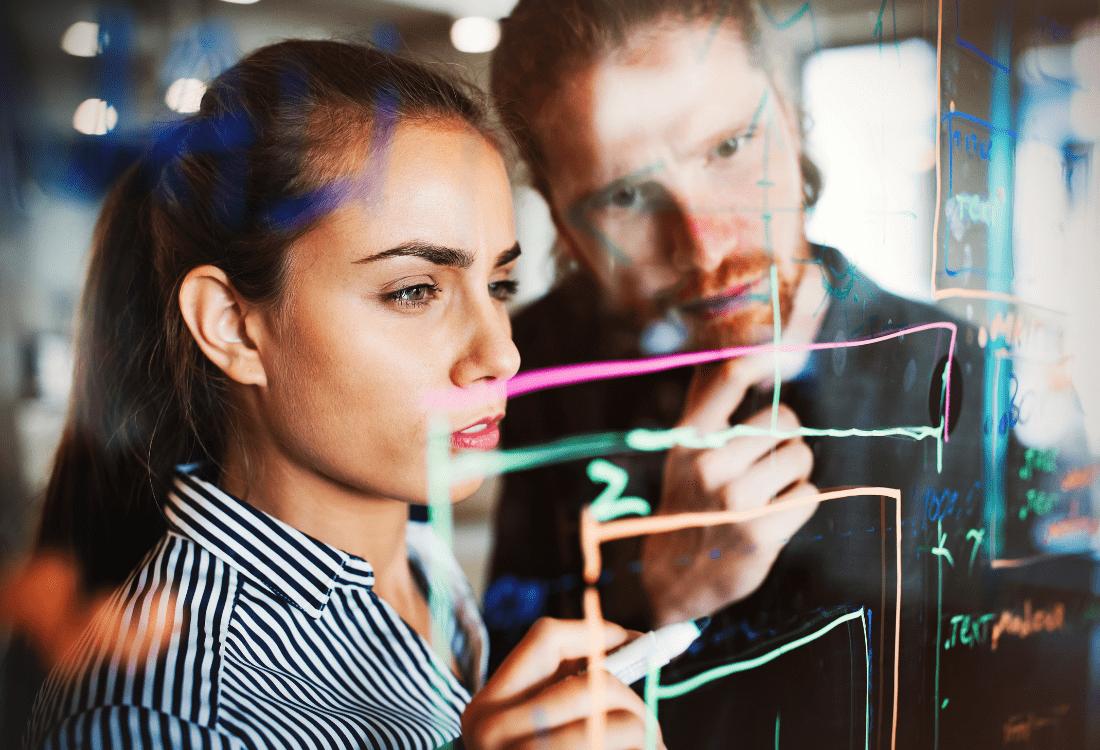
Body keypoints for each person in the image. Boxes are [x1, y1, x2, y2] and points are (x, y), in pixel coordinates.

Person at [23, 40, 661, 750]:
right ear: (233, 326)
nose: (502, 354)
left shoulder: (425, 564)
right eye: (415, 291)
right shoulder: (160, 719)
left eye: (499, 287)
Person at [483, 2, 1083, 748]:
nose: (705, 246)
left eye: (730, 146)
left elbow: (1016, 672)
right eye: (625, 195)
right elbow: (496, 667)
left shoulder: (946, 361)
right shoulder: (528, 362)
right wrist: (657, 592)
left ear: (795, 121)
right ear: (562, 224)